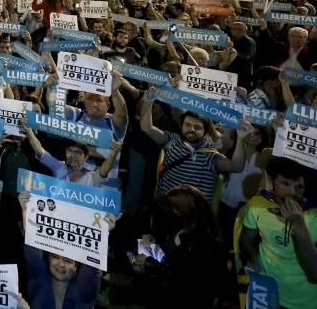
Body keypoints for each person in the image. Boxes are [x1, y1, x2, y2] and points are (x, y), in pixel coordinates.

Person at [140, 87, 253, 202]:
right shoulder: (171, 140)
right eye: (187, 125)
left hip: (193, 216)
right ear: (181, 125)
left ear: (206, 132)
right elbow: (146, 127)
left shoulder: (210, 156)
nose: (191, 129)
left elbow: (236, 167)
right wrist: (148, 102)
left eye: (197, 127)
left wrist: (241, 139)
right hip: (164, 209)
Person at [238, 156, 317, 309]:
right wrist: (254, 259)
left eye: (299, 185)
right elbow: (246, 240)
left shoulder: (314, 215)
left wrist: (299, 225)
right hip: (265, 294)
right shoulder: (257, 205)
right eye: (285, 183)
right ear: (272, 181)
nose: (292, 192)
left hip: (305, 302)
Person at [136, 185, 228, 308]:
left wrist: (148, 262)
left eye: (175, 208)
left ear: (185, 210)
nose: (173, 211)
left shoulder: (203, 246)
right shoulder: (189, 225)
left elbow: (180, 280)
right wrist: (155, 241)